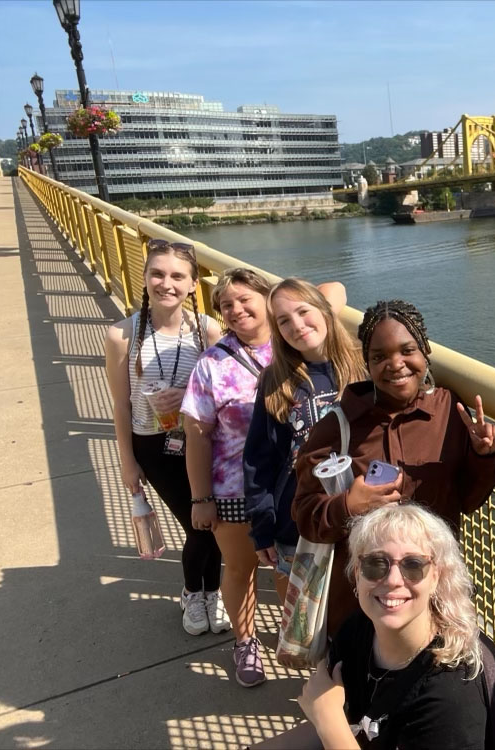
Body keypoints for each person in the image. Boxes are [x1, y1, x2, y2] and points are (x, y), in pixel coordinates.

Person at [292, 299, 495, 637]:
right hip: (362, 603)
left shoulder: (448, 412)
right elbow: (304, 514)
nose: (396, 365)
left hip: (433, 592)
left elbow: (467, 500)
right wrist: (347, 505)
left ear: (425, 352)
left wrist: (483, 454)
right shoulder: (340, 424)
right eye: (379, 357)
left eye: (407, 351)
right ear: (367, 364)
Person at [298, 503, 495, 750]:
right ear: (357, 573)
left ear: (436, 577)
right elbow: (338, 728)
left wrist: (327, 718)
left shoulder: (452, 693)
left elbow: (332, 724)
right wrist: (328, 719)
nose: (392, 580)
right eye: (375, 564)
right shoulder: (356, 631)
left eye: (413, 565)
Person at [104, 238, 225, 636]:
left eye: (177, 276)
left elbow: (222, 390)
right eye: (157, 273)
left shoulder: (207, 330)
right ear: (144, 277)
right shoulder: (123, 335)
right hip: (154, 446)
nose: (166, 283)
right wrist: (127, 461)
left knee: (213, 523)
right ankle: (195, 592)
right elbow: (121, 405)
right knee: (197, 526)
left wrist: (188, 389)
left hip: (201, 440)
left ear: (193, 284)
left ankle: (212, 592)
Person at [243, 277, 365, 605]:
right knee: (303, 622)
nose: (297, 325)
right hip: (298, 524)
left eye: (303, 311)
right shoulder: (276, 381)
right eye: (283, 321)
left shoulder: (364, 364)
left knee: (359, 611)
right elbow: (259, 460)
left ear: (325, 310)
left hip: (361, 518)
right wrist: (262, 528)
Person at [181, 268, 276, 688]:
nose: (236, 310)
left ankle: (303, 640)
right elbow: (197, 435)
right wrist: (201, 498)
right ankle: (245, 641)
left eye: (245, 299)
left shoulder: (297, 344)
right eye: (226, 305)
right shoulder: (212, 363)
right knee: (240, 568)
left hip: (290, 488)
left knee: (294, 571)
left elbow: (330, 293)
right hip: (233, 488)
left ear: (268, 298)